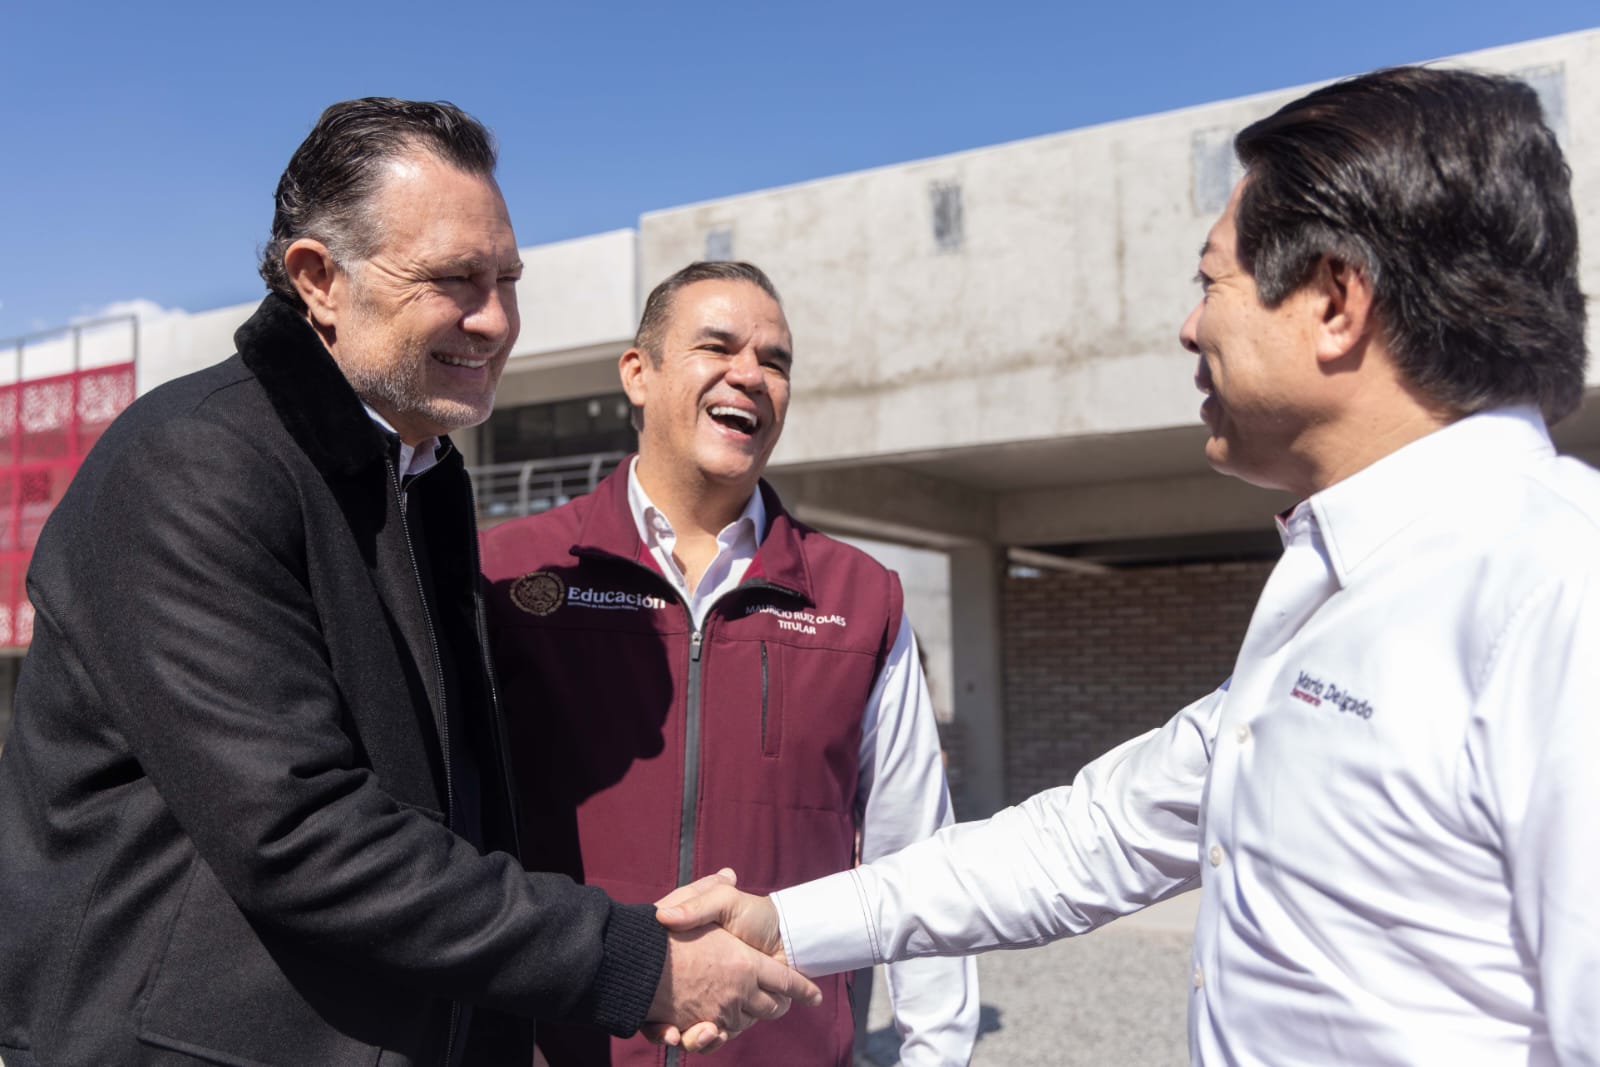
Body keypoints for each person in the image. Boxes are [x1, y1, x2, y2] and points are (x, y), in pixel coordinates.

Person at [659, 66, 1600, 1066]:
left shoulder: (1558, 586)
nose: (1190, 326)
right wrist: (784, 921)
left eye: (1211, 282)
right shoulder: (1338, 586)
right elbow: (1089, 838)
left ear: (1334, 300)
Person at [0, 98, 816, 1067]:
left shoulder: (418, 475)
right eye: (454, 280)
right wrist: (635, 963)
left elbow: (452, 813)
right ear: (320, 279)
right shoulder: (191, 464)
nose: (496, 320)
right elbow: (300, 832)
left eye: (507, 280)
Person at [480, 260, 978, 1066]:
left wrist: (936, 1054)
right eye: (717, 346)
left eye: (775, 361)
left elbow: (915, 851)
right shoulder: (508, 574)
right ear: (638, 374)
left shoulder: (861, 598)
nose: (750, 375)